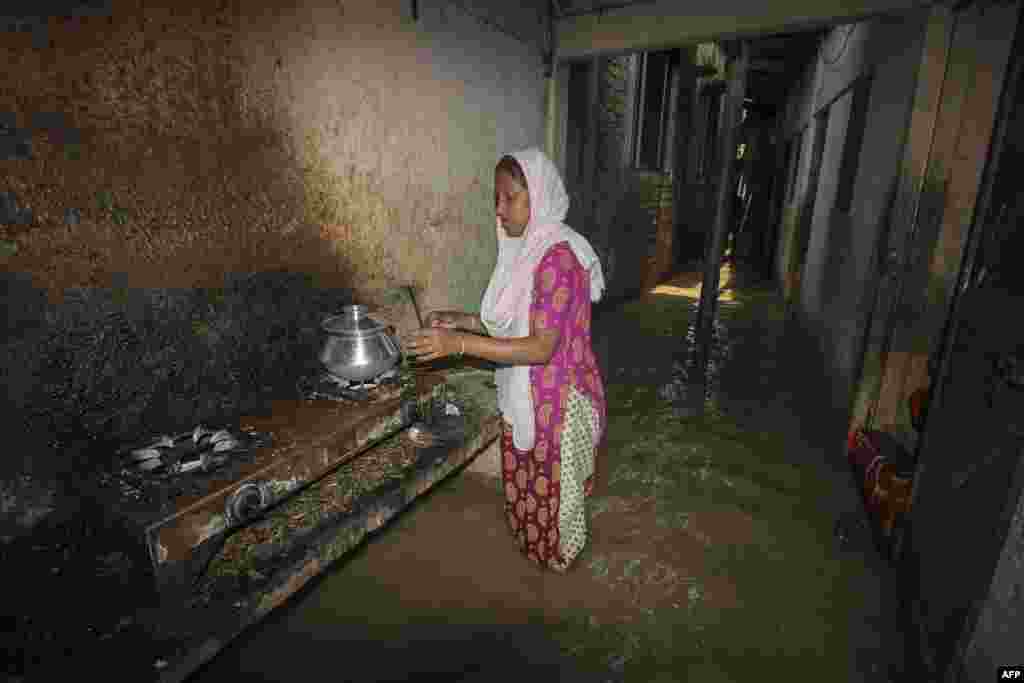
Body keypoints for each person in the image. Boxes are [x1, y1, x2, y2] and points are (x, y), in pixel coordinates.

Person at [403, 148, 607, 572]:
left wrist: (458, 343)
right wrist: (462, 320)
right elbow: (515, 323)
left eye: (509, 198)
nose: (499, 210)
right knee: (528, 488)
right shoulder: (528, 252)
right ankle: (537, 563)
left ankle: (556, 589)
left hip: (558, 403)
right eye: (496, 199)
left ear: (538, 197)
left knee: (555, 503)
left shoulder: (558, 259)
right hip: (528, 395)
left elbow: (539, 347)